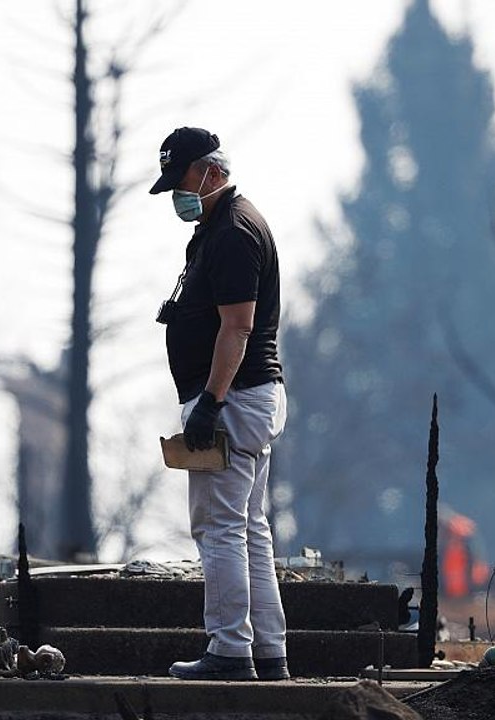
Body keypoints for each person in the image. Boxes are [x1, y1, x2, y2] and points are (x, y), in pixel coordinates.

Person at [149, 127, 289, 681]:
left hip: (233, 399)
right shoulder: (226, 225)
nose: (177, 196)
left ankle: (231, 649)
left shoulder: (232, 232)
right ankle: (269, 651)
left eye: (181, 180)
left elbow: (238, 327)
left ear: (209, 171)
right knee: (249, 526)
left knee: (219, 527)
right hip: (249, 397)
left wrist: (210, 401)